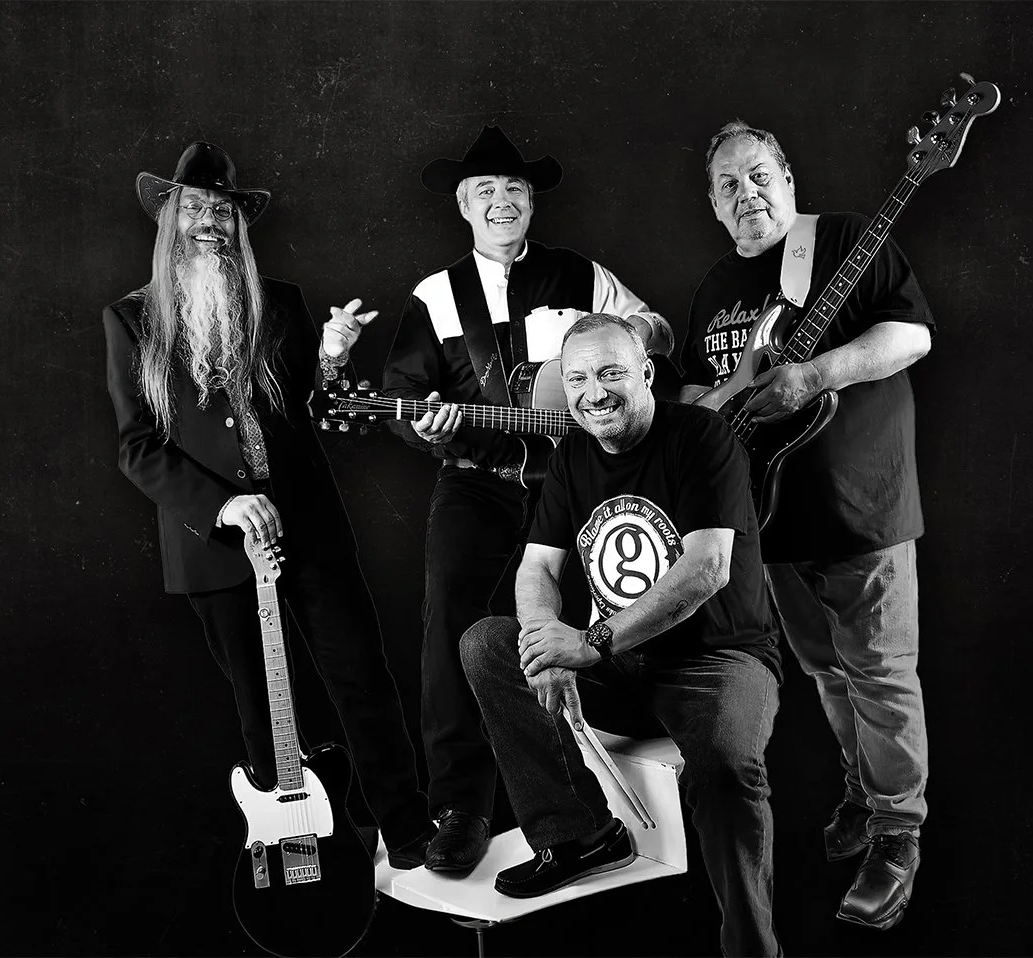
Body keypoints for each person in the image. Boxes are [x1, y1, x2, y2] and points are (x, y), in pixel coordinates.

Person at [102, 141, 434, 869]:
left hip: (308, 522)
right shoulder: (131, 320)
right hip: (214, 546)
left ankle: (407, 828)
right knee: (261, 711)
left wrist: (331, 358)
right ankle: (300, 859)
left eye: (222, 211)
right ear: (170, 219)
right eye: (196, 208)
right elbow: (138, 447)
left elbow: (317, 410)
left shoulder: (279, 300)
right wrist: (223, 508)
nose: (210, 222)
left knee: (362, 678)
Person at [380, 126, 676, 874]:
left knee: (595, 608)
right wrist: (430, 429)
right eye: (486, 192)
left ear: (530, 202)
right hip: (477, 486)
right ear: (463, 205)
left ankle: (586, 787)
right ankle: (461, 807)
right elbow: (406, 400)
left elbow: (660, 335)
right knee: (452, 618)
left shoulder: (580, 274)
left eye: (514, 189)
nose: (502, 201)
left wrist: (620, 332)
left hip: (571, 488)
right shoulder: (433, 296)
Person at [460, 314, 782, 956]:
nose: (593, 392)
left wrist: (591, 642)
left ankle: (752, 946)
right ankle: (579, 835)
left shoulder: (702, 435)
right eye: (577, 378)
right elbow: (538, 566)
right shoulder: (573, 454)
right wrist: (544, 640)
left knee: (722, 764)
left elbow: (706, 567)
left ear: (647, 375)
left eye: (611, 373)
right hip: (622, 667)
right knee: (489, 644)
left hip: (718, 659)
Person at [680, 120, 934, 930]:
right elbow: (694, 399)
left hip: (863, 507)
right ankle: (863, 795)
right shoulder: (716, 285)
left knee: (882, 674)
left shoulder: (849, 241)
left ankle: (898, 835)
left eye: (758, 176)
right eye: (728, 186)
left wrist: (818, 373)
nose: (746, 194)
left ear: (787, 176)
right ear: (714, 207)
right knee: (828, 675)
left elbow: (912, 333)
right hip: (768, 521)